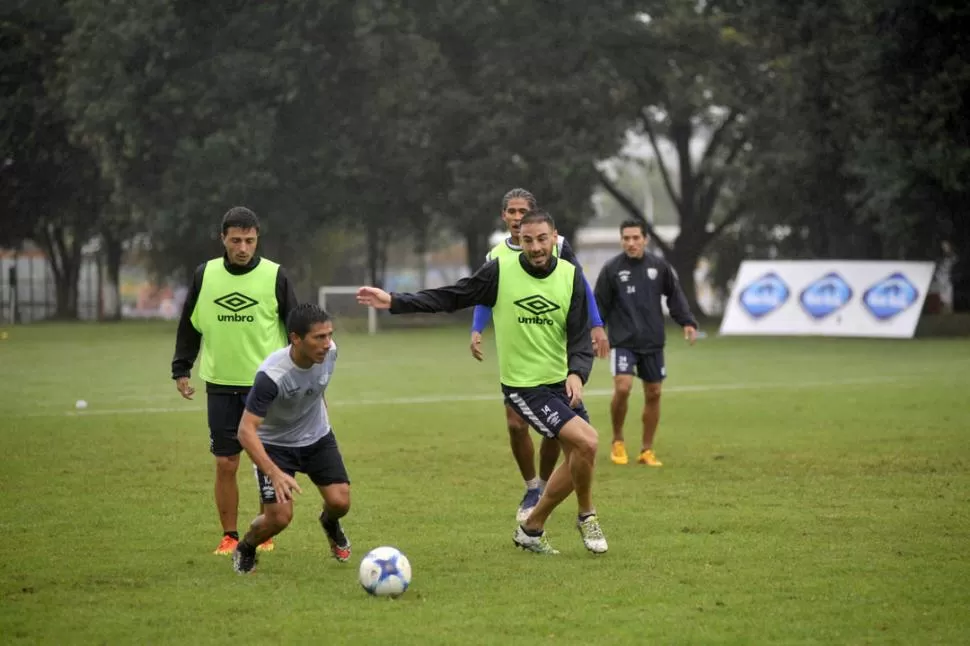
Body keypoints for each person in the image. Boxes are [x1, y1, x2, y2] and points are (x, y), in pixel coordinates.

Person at [358, 210, 607, 555]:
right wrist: (396, 301)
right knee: (589, 443)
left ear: (554, 238)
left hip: (560, 384)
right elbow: (453, 296)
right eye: (527, 239)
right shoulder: (500, 272)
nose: (535, 247)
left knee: (581, 455)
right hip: (524, 388)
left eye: (541, 239)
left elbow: (580, 337)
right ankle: (581, 515)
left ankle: (533, 528)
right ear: (518, 240)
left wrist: (577, 373)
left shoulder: (570, 276)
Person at [469, 188, 610, 524]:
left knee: (558, 432)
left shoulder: (558, 249)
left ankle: (544, 492)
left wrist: (596, 324)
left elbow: (580, 287)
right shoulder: (496, 257)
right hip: (519, 363)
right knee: (516, 425)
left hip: (554, 356)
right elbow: (483, 295)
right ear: (504, 216)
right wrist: (477, 328)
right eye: (512, 212)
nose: (517, 218)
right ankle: (533, 486)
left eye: (523, 211)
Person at [171, 206, 300, 555]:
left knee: (266, 463)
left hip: (267, 386)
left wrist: (304, 379)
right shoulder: (205, 275)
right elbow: (190, 324)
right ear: (223, 239)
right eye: (236, 241)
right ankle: (229, 536)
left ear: (257, 239)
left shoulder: (275, 276)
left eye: (250, 241)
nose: (243, 248)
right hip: (221, 385)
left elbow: (296, 331)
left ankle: (265, 530)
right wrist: (182, 367)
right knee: (226, 463)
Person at [231, 303, 352, 574]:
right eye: (318, 337)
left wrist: (324, 427)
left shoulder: (330, 353)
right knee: (279, 518)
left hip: (317, 437)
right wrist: (273, 472)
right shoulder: (271, 376)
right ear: (295, 338)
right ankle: (247, 546)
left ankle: (330, 522)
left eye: (329, 335)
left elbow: (317, 389)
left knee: (340, 502)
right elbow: (245, 430)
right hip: (275, 446)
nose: (327, 343)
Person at [593, 218, 698, 467]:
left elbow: (675, 295)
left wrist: (687, 322)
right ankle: (618, 440)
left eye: (635, 238)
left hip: (652, 341)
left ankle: (646, 450)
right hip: (623, 341)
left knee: (654, 392)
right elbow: (599, 304)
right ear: (621, 240)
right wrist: (596, 332)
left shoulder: (659, 267)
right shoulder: (612, 269)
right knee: (623, 387)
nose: (631, 243)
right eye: (626, 238)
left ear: (645, 239)